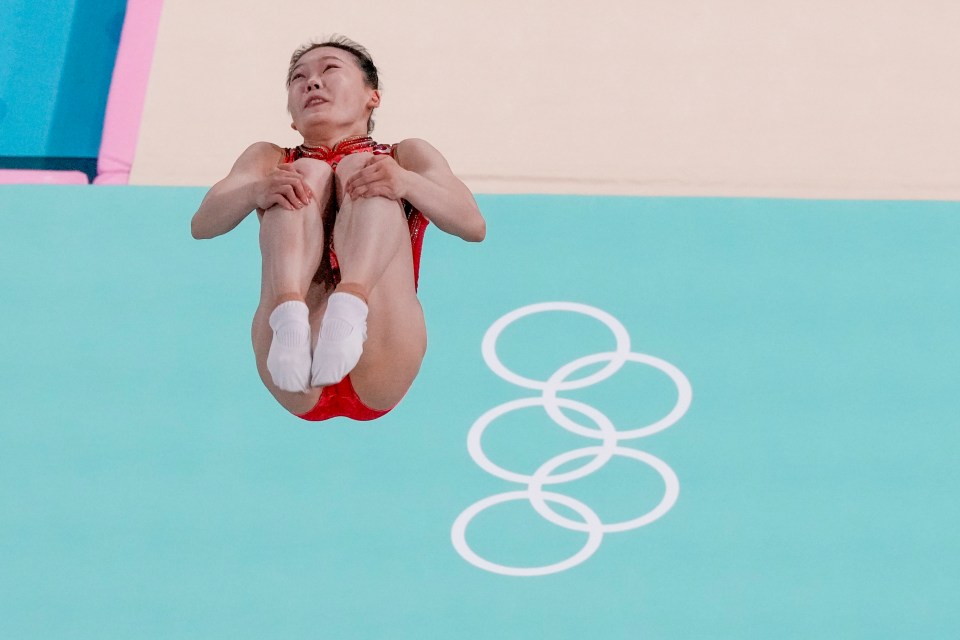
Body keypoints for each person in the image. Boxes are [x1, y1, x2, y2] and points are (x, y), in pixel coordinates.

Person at [191, 36, 485, 421]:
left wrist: (406, 183)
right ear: (293, 119)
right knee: (304, 172)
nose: (311, 82)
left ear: (372, 96)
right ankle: (290, 314)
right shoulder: (270, 158)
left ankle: (351, 302)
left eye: (329, 69)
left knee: (364, 168)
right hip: (291, 350)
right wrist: (258, 189)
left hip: (383, 344)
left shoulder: (404, 156)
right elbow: (204, 224)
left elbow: (472, 224)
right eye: (299, 78)